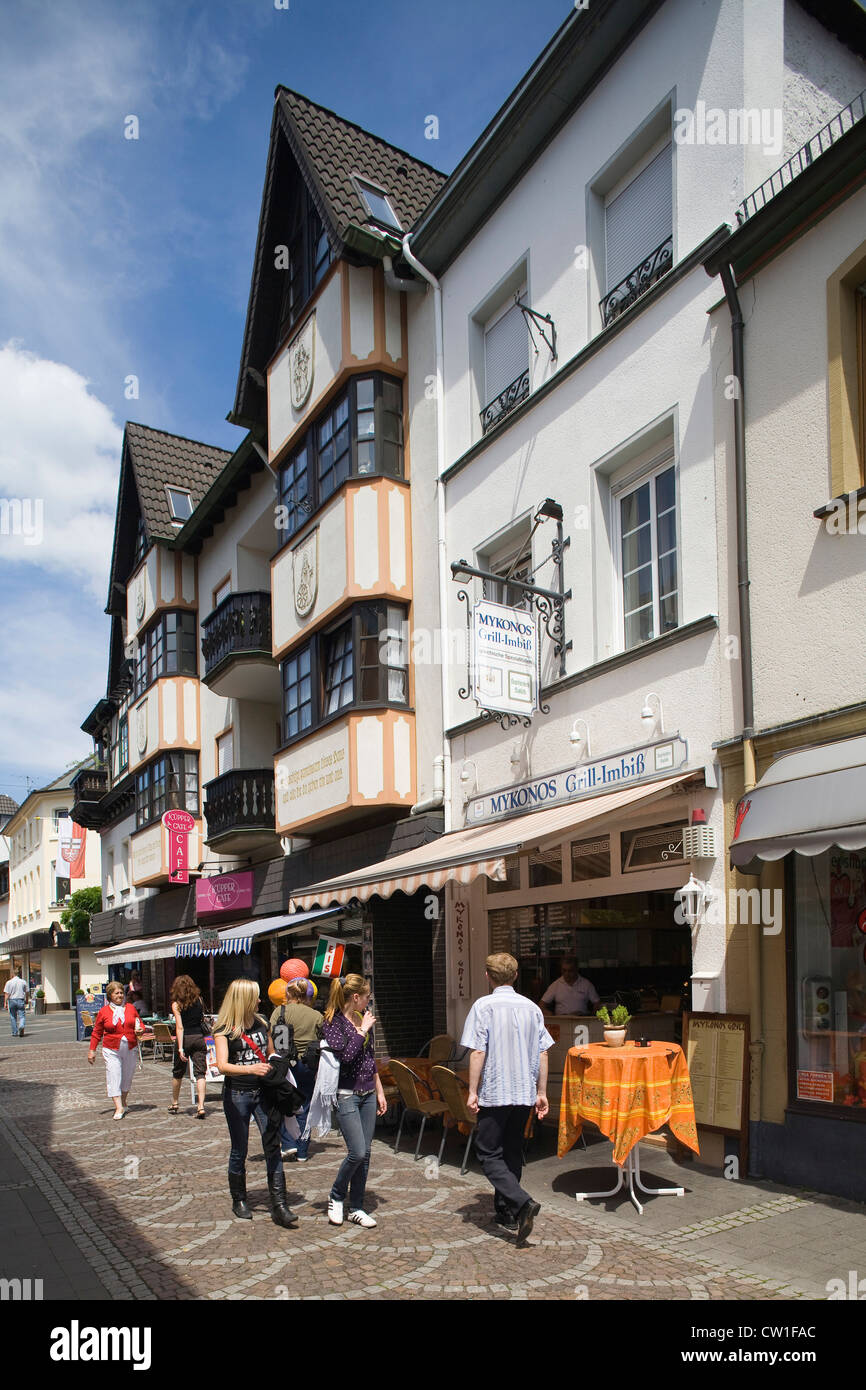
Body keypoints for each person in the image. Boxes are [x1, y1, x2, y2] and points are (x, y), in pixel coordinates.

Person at [461, 952, 554, 1243]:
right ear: (515, 976)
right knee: (512, 1150)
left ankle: (521, 1202)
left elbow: (478, 1051)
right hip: (523, 1092)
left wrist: (473, 1090)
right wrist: (541, 1092)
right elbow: (543, 1051)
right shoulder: (531, 1008)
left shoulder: (483, 1006)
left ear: (488, 977)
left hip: (496, 1090)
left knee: (487, 1152)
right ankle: (507, 1211)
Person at [213, 978, 298, 1229]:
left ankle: (279, 1204)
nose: (260, 1000)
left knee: (273, 1144)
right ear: (243, 999)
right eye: (256, 996)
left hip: (264, 1093)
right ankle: (239, 1199)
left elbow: (270, 1051)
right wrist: (251, 1068)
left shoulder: (261, 1022)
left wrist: (277, 1062)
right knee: (240, 1148)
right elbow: (222, 1065)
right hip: (238, 1094)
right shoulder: (224, 1029)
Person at [321, 974, 387, 1229]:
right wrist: (362, 1031)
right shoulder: (332, 1023)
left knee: (366, 1153)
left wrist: (379, 1091)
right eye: (367, 996)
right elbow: (346, 1057)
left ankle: (357, 1207)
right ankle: (337, 1195)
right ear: (355, 997)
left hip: (368, 1093)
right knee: (357, 1151)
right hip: (346, 1094)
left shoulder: (361, 1019)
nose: (369, 1001)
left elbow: (369, 1060)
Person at [270, 979, 323, 1162]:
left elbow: (271, 1035)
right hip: (307, 1065)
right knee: (305, 1106)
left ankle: (287, 1144)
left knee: (284, 1103)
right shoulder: (316, 1015)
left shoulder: (279, 1011)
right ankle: (302, 1150)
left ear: (289, 994)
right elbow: (322, 1038)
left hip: (284, 1064)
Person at [87, 981, 144, 1119]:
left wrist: (140, 1028)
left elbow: (139, 1022)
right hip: (111, 1049)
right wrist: (92, 1050)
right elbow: (97, 1032)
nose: (119, 996)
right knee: (114, 1075)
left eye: (121, 993)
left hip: (130, 1047)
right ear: (110, 996)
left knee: (127, 1077)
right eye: (116, 993)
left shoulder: (130, 1008)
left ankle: (123, 1101)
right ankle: (118, 1107)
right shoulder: (104, 1011)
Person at [169, 975, 209, 1119]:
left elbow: (180, 1027)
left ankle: (174, 1102)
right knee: (200, 1073)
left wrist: (180, 1048)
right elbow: (201, 1019)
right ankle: (201, 1106)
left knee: (177, 1072)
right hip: (199, 1038)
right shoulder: (199, 1000)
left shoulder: (176, 1004)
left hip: (185, 1039)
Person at [4, 969, 30, 1037]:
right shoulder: (23, 982)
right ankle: (21, 1025)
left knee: (13, 1016)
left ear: (12, 974)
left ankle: (14, 1032)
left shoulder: (9, 982)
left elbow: (7, 994)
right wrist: (26, 1000)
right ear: (19, 974)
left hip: (12, 1000)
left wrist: (5, 1003)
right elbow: (27, 992)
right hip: (20, 1000)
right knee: (22, 1015)